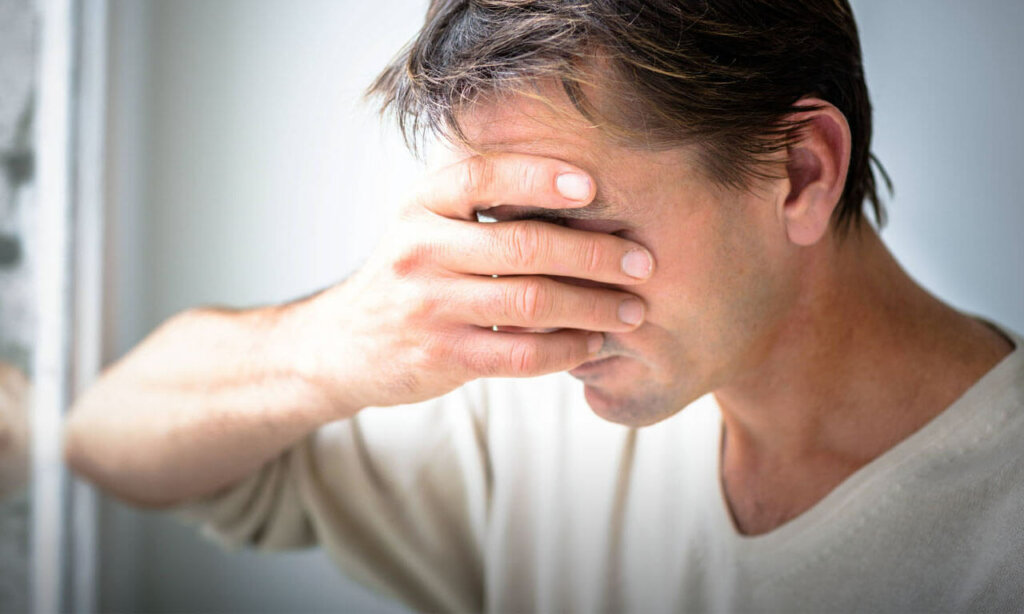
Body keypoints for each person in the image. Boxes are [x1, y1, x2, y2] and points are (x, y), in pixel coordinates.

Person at [65, 1, 1023, 611]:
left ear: (800, 171)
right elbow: (104, 438)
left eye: (580, 229)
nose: (531, 307)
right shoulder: (523, 405)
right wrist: (341, 342)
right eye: (507, 233)